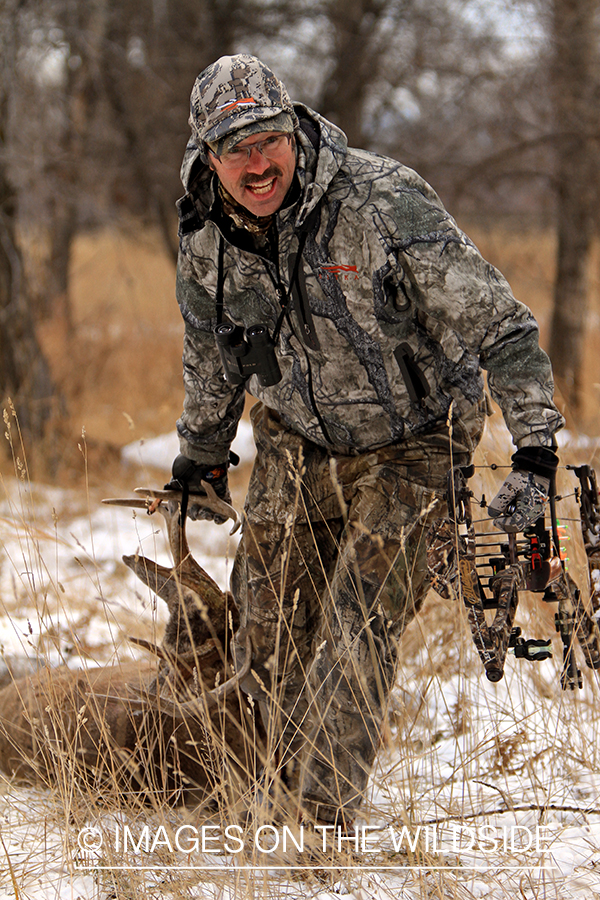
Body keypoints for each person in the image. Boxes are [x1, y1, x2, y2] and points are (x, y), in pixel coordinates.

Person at [166, 54, 564, 830]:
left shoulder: (383, 202)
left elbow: (501, 323)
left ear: (293, 129)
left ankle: (320, 828)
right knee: (267, 624)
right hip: (297, 438)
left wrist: (536, 451)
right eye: (235, 147)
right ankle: (258, 800)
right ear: (207, 156)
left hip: (416, 441)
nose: (257, 163)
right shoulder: (205, 235)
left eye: (268, 139)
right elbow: (213, 352)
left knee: (356, 627)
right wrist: (201, 453)